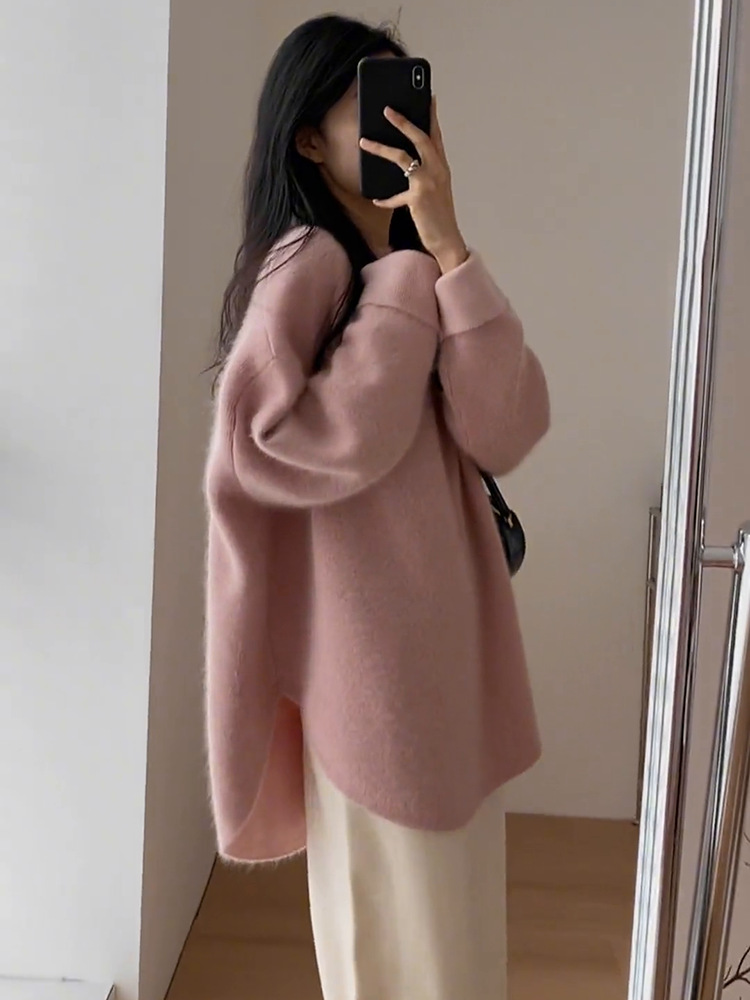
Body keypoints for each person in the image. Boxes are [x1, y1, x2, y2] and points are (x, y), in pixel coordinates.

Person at [203, 13, 550, 1000]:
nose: (406, 124)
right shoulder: (307, 263)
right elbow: (270, 442)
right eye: (372, 103)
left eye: (415, 100)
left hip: (438, 658)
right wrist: (405, 286)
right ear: (310, 139)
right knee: (402, 956)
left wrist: (447, 248)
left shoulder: (417, 268)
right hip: (372, 670)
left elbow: (507, 428)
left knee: (452, 945)